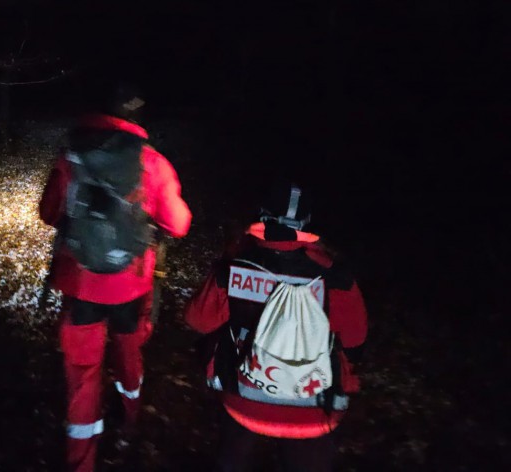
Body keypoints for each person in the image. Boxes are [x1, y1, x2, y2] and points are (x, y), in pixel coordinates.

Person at [39, 83, 192, 471]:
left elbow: (48, 213)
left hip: (80, 283)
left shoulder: (71, 155)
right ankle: (130, 419)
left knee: (82, 372)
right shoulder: (151, 160)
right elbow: (178, 224)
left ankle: (81, 460)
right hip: (131, 283)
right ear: (138, 118)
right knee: (128, 353)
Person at [183, 180, 368, 471]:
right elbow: (356, 338)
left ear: (262, 215)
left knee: (232, 454)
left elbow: (198, 320)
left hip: (243, 397)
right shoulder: (336, 276)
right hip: (314, 408)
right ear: (307, 224)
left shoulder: (234, 266)